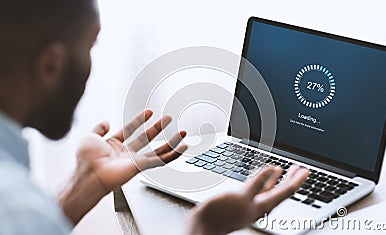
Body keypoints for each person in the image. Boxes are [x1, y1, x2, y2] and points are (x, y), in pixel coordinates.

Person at [0, 0, 309, 234]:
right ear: (51, 65)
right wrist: (201, 228)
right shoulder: (18, 207)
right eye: (91, 46)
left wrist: (81, 188)